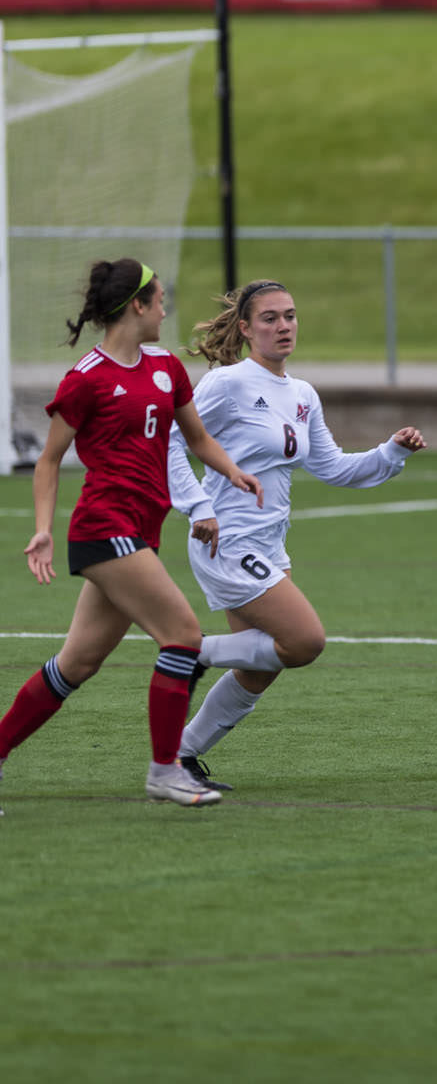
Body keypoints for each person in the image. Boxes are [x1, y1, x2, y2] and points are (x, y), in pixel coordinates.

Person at [4, 259, 263, 810]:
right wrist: (44, 531)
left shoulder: (168, 367)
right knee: (183, 634)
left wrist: (232, 472)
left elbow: (196, 439)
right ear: (136, 307)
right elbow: (49, 461)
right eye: (161, 299)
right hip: (105, 527)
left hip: (140, 532)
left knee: (75, 665)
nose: (167, 309)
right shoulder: (86, 378)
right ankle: (165, 771)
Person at [167, 280, 427, 792]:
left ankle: (181, 755)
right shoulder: (228, 384)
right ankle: (187, 652)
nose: (283, 326)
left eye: (289, 316)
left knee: (259, 668)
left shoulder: (302, 394)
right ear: (245, 329)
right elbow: (173, 442)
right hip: (226, 540)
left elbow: (333, 468)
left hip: (268, 544)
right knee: (304, 641)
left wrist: (392, 451)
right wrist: (197, 506)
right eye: (269, 318)